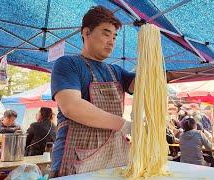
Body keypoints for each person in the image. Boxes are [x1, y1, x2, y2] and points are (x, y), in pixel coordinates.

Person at [50, 6, 174, 177]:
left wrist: (158, 64)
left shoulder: (115, 71)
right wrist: (126, 126)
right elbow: (72, 107)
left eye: (114, 37)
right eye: (106, 34)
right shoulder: (67, 64)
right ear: (86, 32)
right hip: (76, 161)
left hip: (113, 161)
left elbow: (145, 85)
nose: (111, 41)